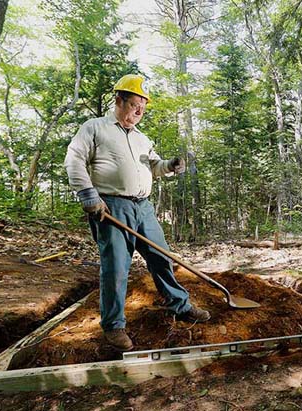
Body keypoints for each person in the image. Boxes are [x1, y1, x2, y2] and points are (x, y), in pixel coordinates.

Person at [64, 74, 210, 352]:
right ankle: (113, 325)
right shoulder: (95, 128)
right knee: (117, 267)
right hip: (111, 206)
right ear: (119, 100)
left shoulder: (142, 139)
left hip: (143, 207)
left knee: (161, 257)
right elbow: (74, 159)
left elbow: (153, 165)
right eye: (134, 105)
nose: (139, 112)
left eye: (142, 108)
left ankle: (179, 305)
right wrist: (88, 195)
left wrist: (170, 165)